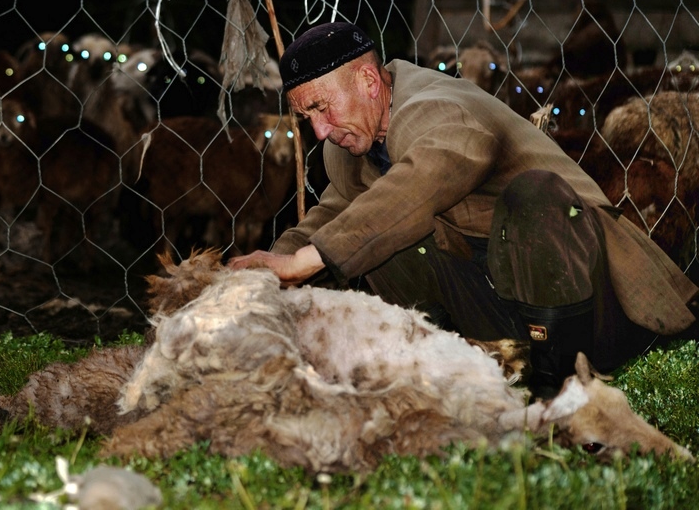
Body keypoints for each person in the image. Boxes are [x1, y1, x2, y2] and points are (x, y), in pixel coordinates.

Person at [228, 21, 698, 397]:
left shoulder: (439, 106)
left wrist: (303, 262)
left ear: (369, 81)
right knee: (381, 239)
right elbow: (334, 213)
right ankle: (445, 372)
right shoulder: (354, 143)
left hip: (596, 305)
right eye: (307, 118)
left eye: (322, 108)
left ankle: (559, 391)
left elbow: (423, 178)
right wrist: (262, 274)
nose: (321, 132)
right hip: (501, 307)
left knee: (535, 198)